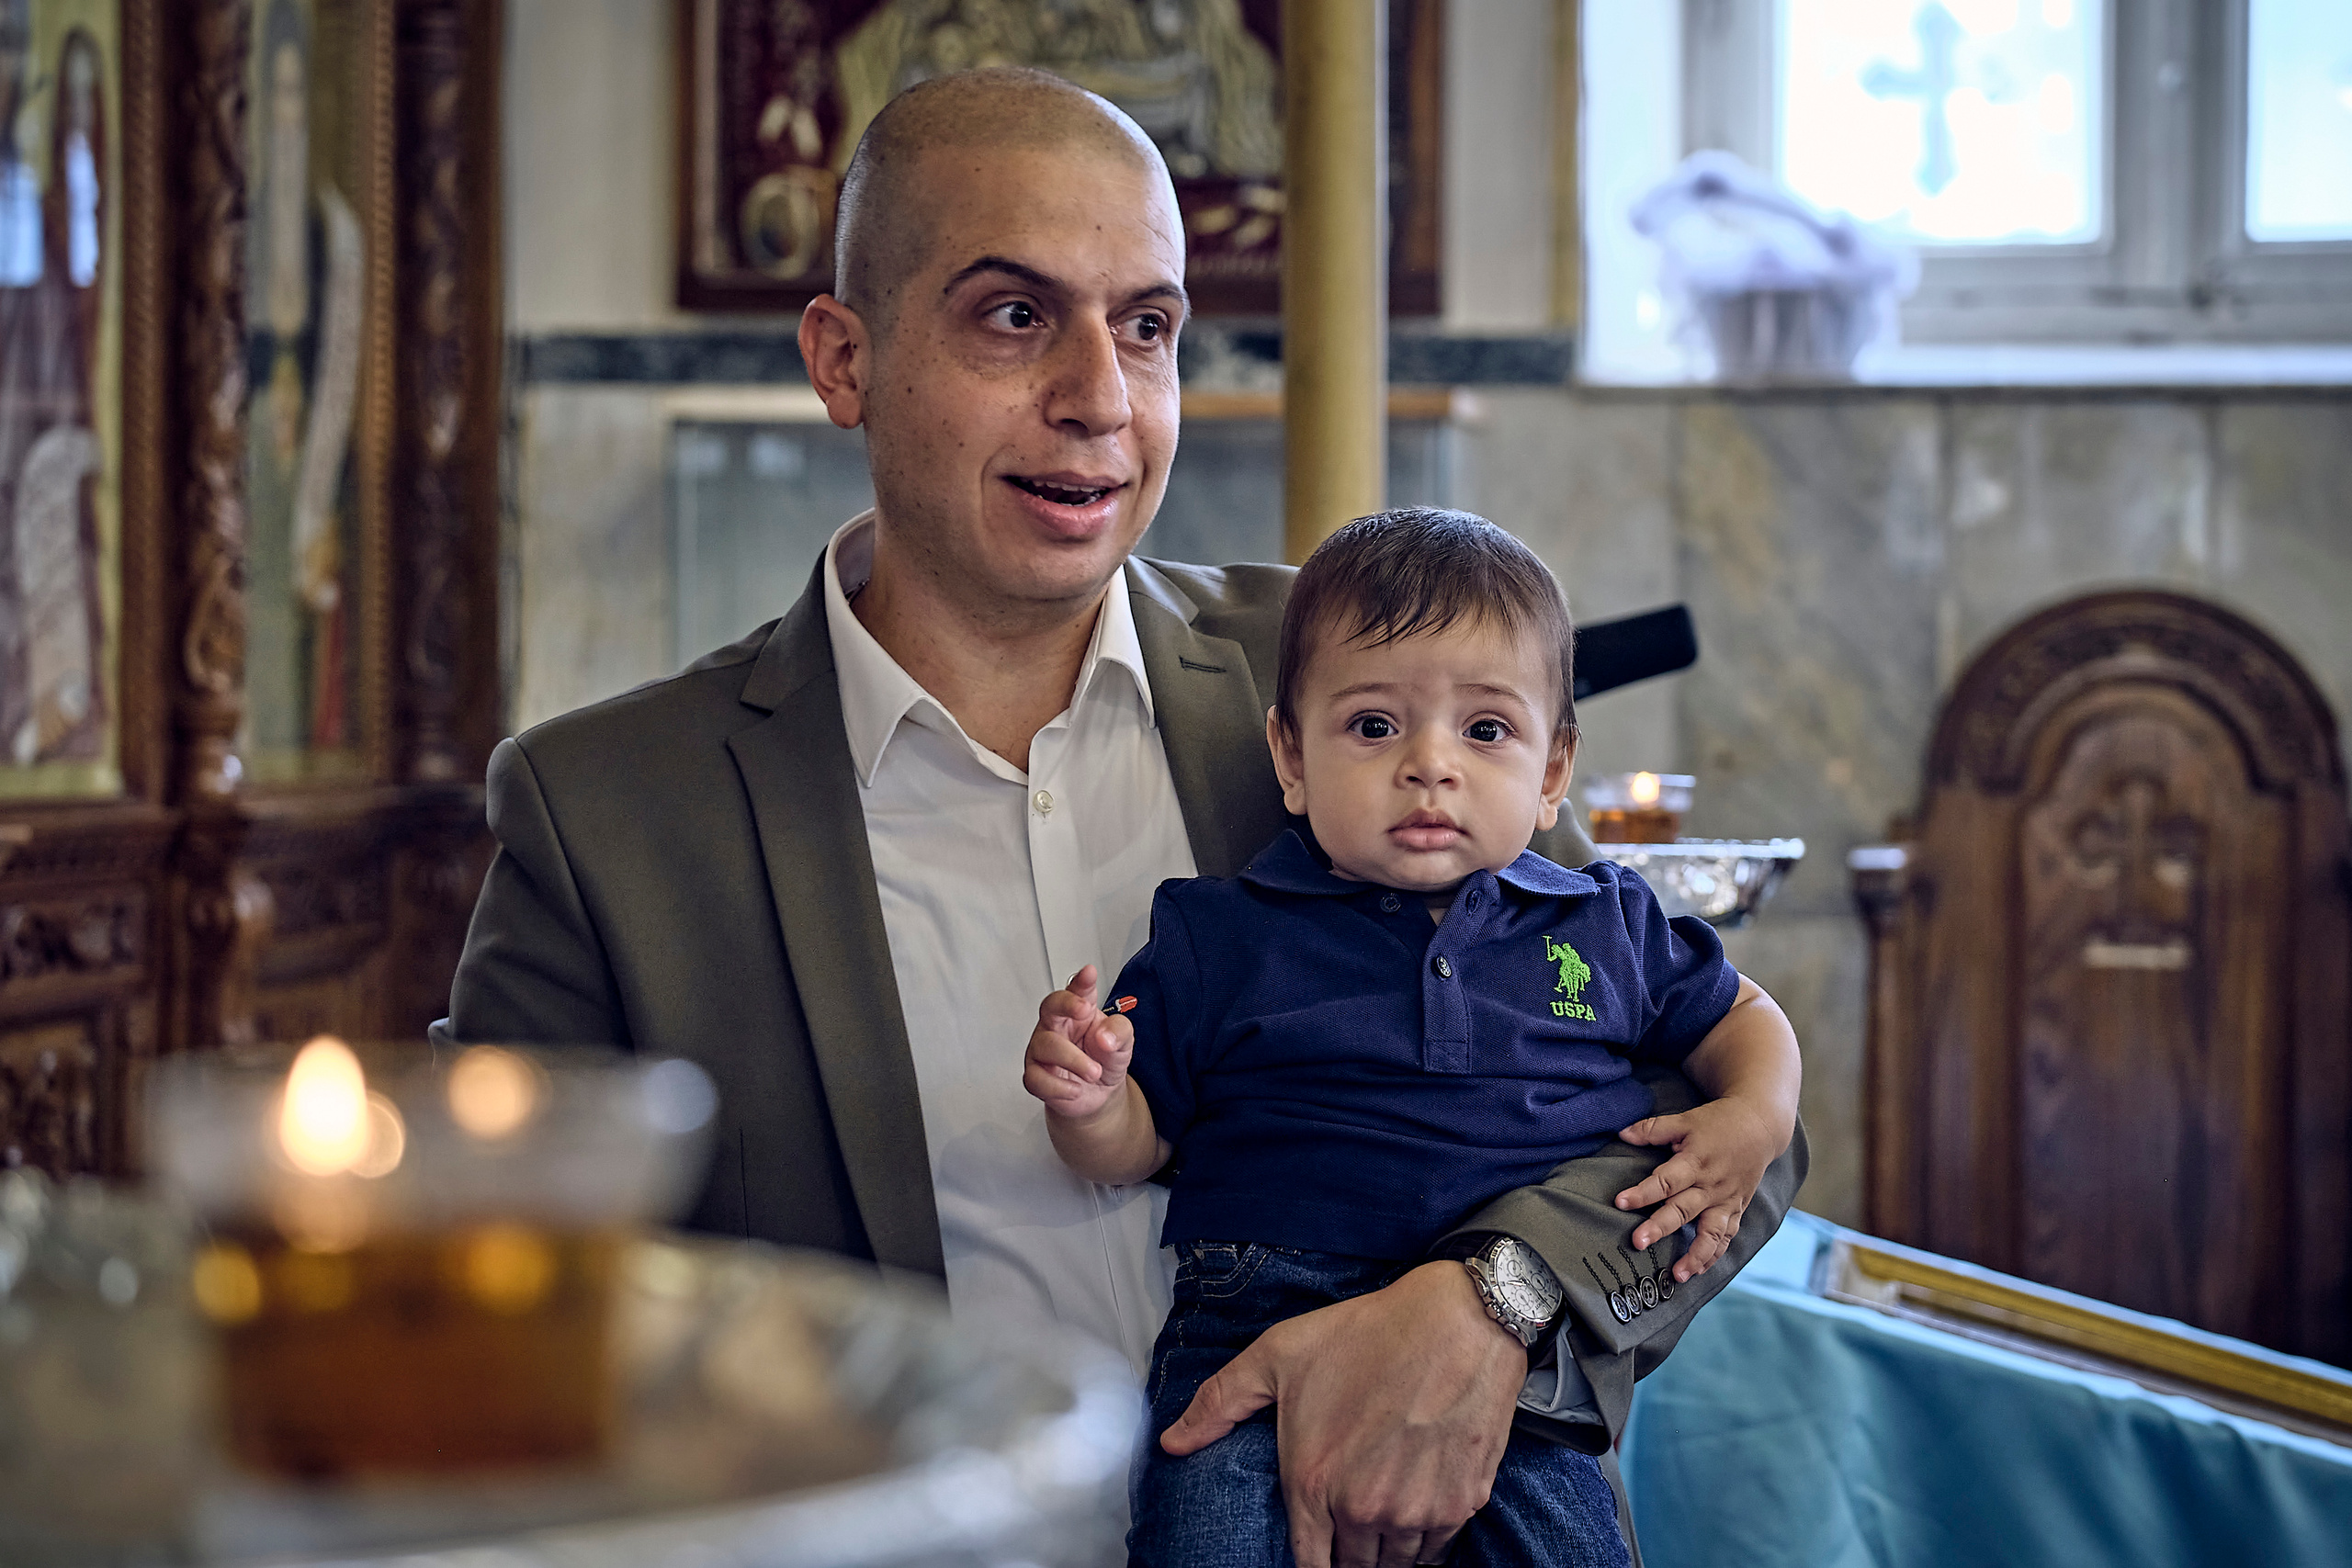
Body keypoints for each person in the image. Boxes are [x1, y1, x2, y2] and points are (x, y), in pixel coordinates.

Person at [439, 67, 1806, 1566]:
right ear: (845, 359)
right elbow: (492, 1325)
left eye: (1146, 325)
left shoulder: (1354, 685)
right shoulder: (608, 816)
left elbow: (1711, 1108)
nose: (1101, 397)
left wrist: (1491, 1304)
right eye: (1015, 316)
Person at [1024, 510, 1804, 1566]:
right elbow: (1138, 1146)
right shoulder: (1218, 931)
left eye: (1485, 731)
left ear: (1552, 769)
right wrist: (1088, 1098)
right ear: (1289, 757)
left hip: (1516, 1362)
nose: (1429, 766)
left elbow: (1743, 1017)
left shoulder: (1600, 920)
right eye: (1374, 727)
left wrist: (1752, 1112)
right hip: (1250, 1312)